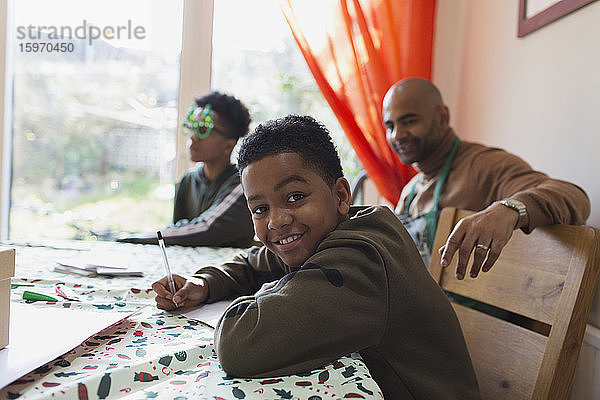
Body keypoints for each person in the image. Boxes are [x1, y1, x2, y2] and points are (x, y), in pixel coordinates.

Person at [152, 115, 481, 399]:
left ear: (340, 195)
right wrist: (205, 284)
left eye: (294, 197)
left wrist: (269, 292)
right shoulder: (336, 228)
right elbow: (257, 262)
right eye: (260, 209)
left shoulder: (361, 261)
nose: (277, 220)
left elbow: (240, 345)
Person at [383, 77, 590, 279]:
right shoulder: (410, 191)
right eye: (390, 126)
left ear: (442, 118)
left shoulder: (485, 166)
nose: (397, 135)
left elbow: (575, 198)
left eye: (409, 121)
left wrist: (507, 210)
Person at [118, 92, 255, 248]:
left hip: (225, 271)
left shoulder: (242, 184)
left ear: (228, 145)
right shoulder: (188, 180)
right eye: (192, 128)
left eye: (203, 129)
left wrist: (132, 238)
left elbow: (206, 229)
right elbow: (179, 235)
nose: (193, 137)